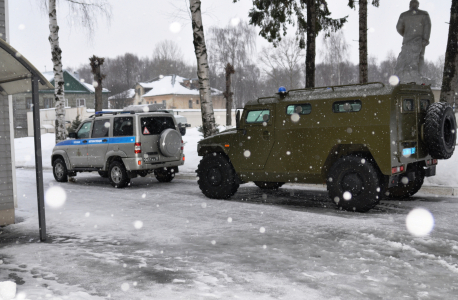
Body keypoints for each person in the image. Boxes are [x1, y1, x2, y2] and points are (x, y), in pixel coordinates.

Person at [395, 0, 431, 84]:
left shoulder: (404, 15)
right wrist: (425, 39)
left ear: (410, 5)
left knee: (405, 59)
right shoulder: (424, 14)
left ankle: (406, 75)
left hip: (407, 41)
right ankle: (417, 75)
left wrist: (406, 35)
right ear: (417, 5)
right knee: (419, 57)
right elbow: (427, 27)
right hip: (420, 41)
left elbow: (398, 28)